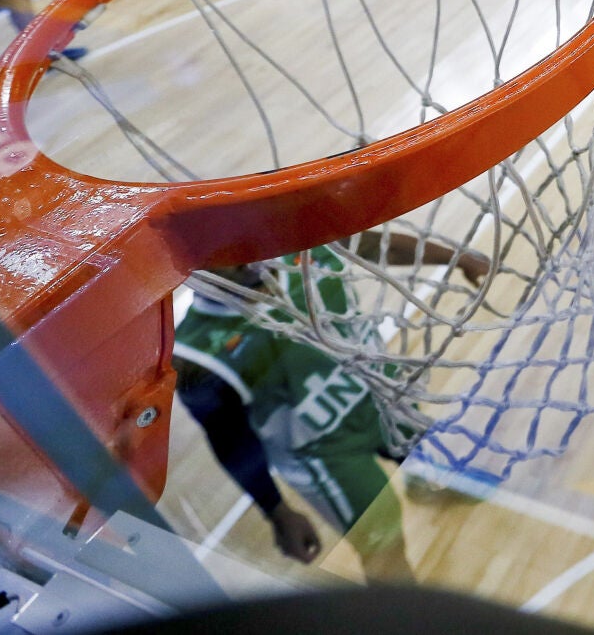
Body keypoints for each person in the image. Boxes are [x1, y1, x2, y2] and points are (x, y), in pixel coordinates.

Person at [175, 232, 490, 582]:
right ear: (185, 268)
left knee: (424, 454)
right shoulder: (196, 356)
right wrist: (275, 510)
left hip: (383, 396)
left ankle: (424, 485)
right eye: (218, 253)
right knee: (384, 547)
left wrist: (457, 257)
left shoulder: (309, 244)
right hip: (326, 456)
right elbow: (231, 443)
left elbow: (374, 244)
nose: (240, 255)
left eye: (239, 237)